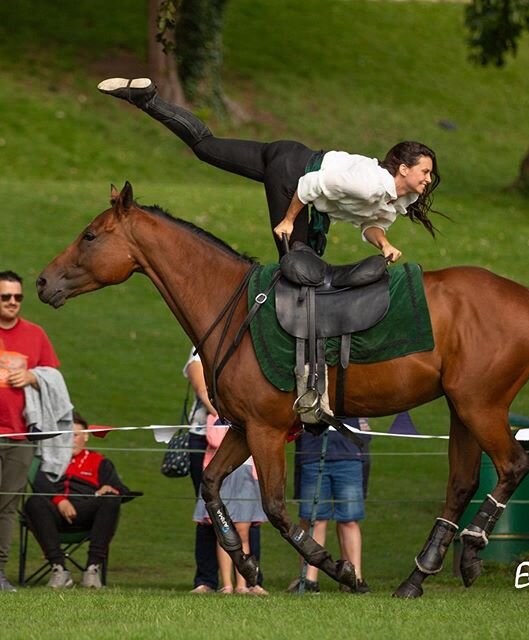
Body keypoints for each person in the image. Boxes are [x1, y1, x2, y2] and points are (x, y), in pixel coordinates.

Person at [97, 78, 440, 261]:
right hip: (295, 174)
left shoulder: (396, 201)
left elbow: (369, 225)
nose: (428, 179)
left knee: (205, 147)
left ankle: (146, 98)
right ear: (403, 169)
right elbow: (309, 185)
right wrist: (289, 221)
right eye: (424, 171)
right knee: (299, 265)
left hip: (289, 153)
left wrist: (383, 244)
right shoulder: (369, 184)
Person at [0, 270, 61, 592]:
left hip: (20, 437)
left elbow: (53, 378)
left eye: (17, 297)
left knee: (7, 505)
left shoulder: (35, 335)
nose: (12, 302)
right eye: (5, 297)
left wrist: (32, 378)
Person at [183, 350, 263, 594]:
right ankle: (207, 579)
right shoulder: (200, 351)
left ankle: (251, 580)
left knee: (246, 520)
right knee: (211, 515)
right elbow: (202, 390)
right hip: (207, 438)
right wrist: (231, 414)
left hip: (241, 435)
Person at [23, 410, 131, 589]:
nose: (71, 440)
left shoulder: (100, 461)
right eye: (66, 435)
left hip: (87, 511)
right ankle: (59, 568)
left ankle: (92, 569)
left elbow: (122, 490)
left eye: (75, 435)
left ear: (86, 437)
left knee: (111, 500)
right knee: (34, 502)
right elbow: (39, 483)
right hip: (54, 513)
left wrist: (109, 490)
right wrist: (60, 501)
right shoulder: (50, 459)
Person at [287, 417, 371, 594]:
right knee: (313, 520)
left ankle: (354, 579)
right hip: (312, 453)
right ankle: (308, 579)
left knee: (350, 519)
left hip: (349, 453)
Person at [192, 414, 268, 595]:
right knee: (224, 532)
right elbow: (215, 439)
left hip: (246, 476)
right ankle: (226, 584)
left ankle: (243, 584)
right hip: (220, 477)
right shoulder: (215, 417)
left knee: (243, 534)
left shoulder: (252, 416)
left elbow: (255, 441)